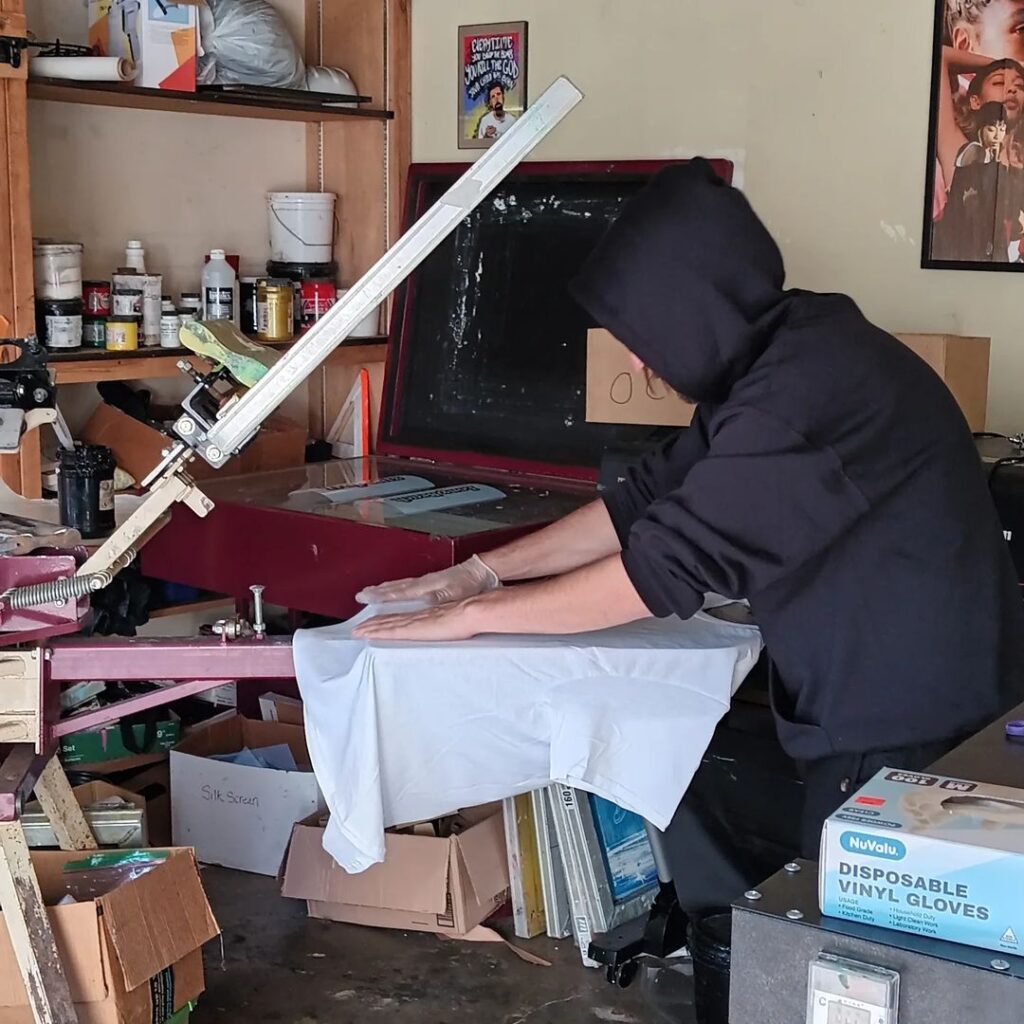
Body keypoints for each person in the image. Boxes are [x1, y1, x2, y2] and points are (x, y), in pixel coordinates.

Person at [354, 159, 1024, 913]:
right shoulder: (788, 347)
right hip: (883, 701)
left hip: (910, 729)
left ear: (692, 306)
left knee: (856, 957)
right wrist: (480, 573)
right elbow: (642, 501)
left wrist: (468, 620)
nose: (638, 360)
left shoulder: (804, 394)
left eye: (644, 334)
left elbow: (655, 573)